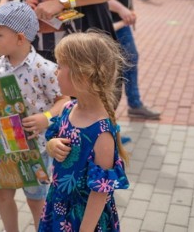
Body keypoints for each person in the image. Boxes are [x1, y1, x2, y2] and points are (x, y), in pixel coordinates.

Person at [0, 1, 69, 232]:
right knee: (2, 194)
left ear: (19, 38)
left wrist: (46, 117)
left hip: (35, 149)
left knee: (36, 201)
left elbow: (64, 99)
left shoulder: (44, 68)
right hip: (3, 147)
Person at [39, 32, 130, 232]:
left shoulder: (102, 133)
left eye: (61, 66)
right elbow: (54, 137)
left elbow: (100, 192)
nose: (55, 72)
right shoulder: (67, 108)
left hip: (85, 220)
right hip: (58, 205)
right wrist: (52, 145)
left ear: (82, 75)